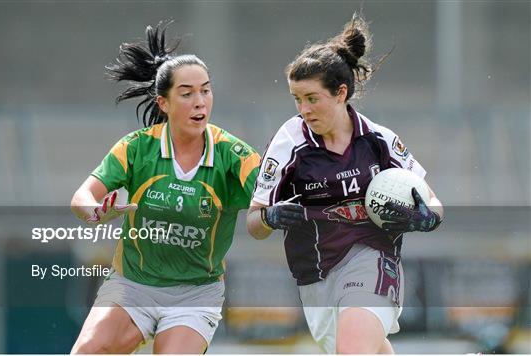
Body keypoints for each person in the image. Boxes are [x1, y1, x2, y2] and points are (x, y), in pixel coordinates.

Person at [247, 14, 443, 354]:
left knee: (353, 349)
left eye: (312, 98)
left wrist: (427, 217)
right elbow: (254, 223)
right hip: (316, 276)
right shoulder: (288, 144)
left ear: (341, 93)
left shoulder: (379, 140)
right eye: (297, 98)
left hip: (373, 257)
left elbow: (434, 204)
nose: (303, 109)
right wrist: (270, 218)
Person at [70, 23, 260, 354]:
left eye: (206, 90)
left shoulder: (234, 154)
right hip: (132, 285)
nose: (200, 102)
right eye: (187, 94)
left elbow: (268, 193)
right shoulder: (136, 148)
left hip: (196, 293)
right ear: (163, 103)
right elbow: (82, 197)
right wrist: (96, 213)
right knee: (86, 350)